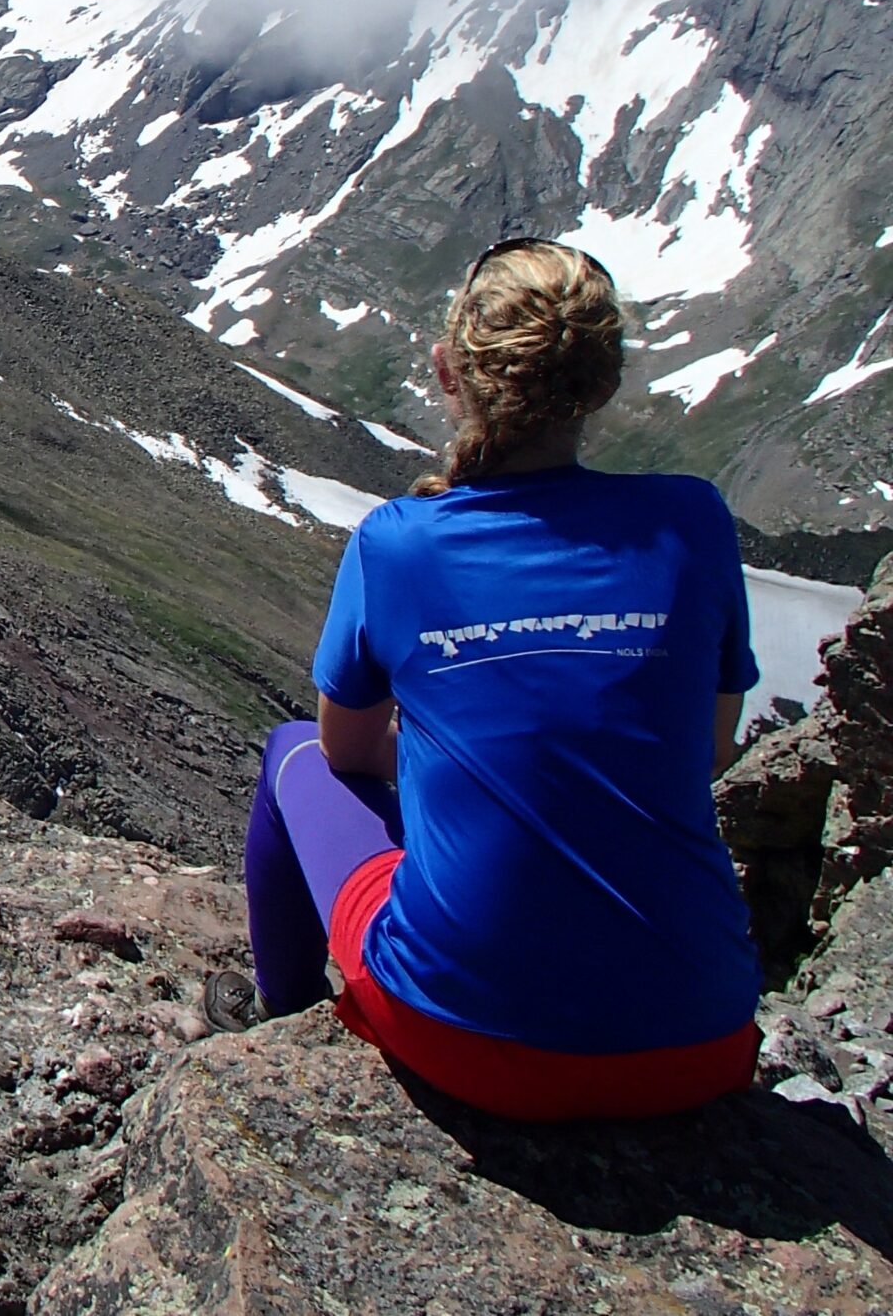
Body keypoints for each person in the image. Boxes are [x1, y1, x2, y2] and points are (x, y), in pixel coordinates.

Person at [208, 237, 762, 1120]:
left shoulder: (398, 541)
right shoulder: (693, 520)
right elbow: (705, 749)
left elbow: (347, 750)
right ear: (603, 380)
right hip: (703, 1040)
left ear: (447, 372)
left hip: (467, 1041)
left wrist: (459, 762)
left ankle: (283, 1012)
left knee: (292, 755)